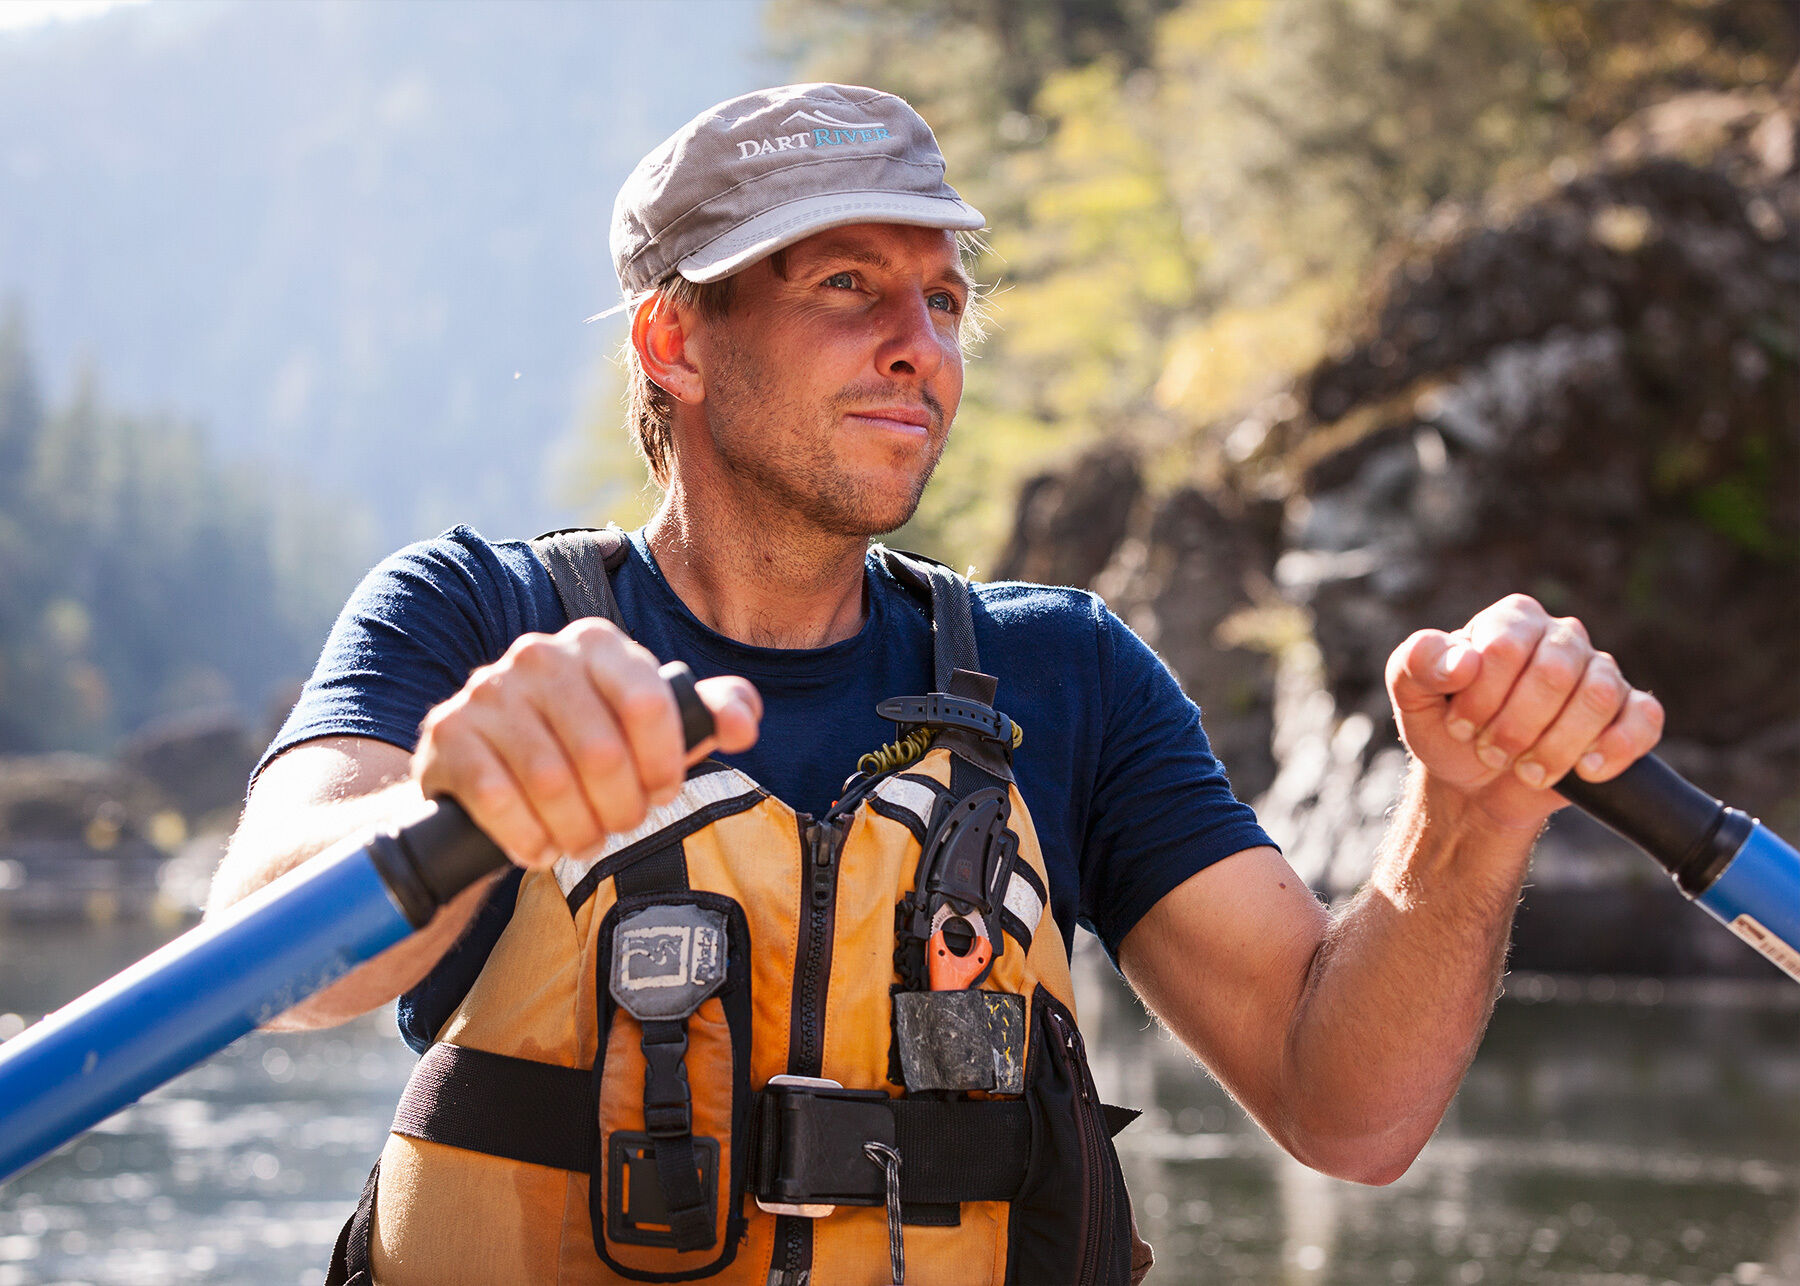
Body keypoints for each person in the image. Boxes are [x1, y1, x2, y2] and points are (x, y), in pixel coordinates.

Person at [209, 84, 1663, 1286]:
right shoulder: (470, 616)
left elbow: (1345, 1106)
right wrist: (448, 804)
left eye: (946, 297)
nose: (924, 344)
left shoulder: (1066, 672)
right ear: (674, 338)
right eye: (848, 285)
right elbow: (270, 954)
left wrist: (1468, 829)